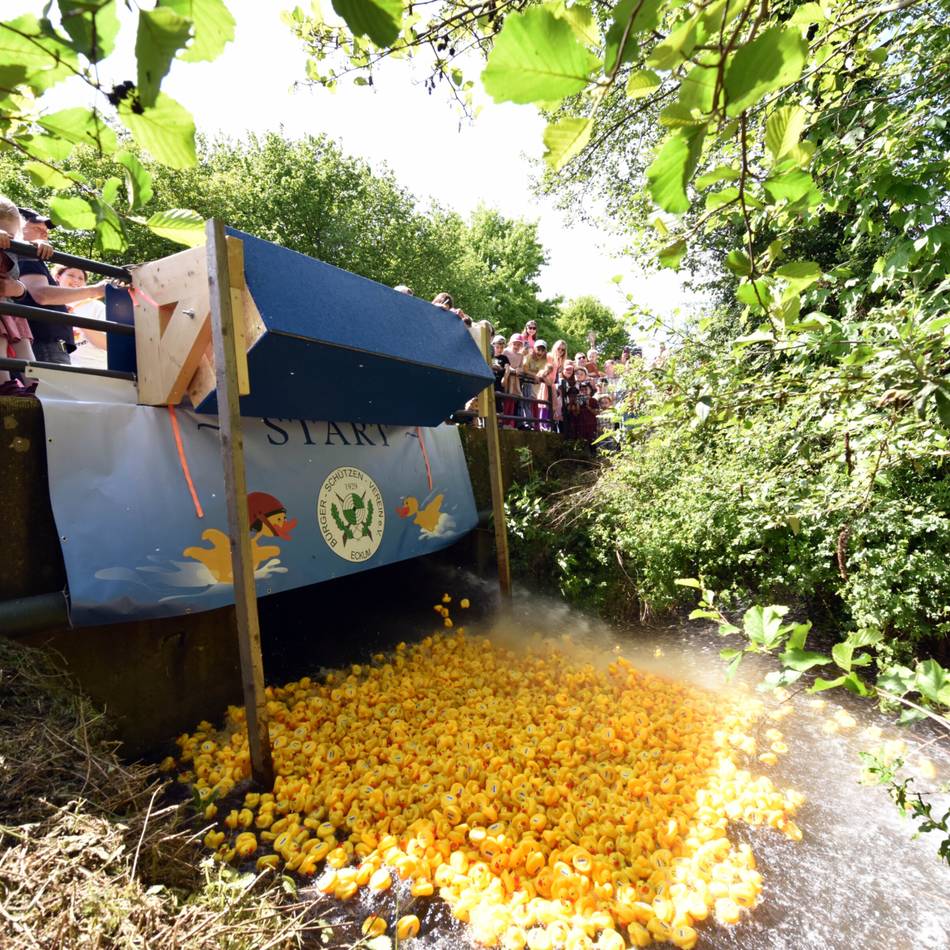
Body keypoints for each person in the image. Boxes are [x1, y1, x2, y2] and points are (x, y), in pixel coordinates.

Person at [18, 208, 107, 365]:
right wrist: (95, 290)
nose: (45, 235)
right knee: (51, 387)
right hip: (45, 344)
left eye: (46, 231)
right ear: (18, 227)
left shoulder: (29, 257)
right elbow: (42, 295)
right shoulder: (26, 255)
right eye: (37, 229)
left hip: (55, 346)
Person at [0, 198, 34, 386]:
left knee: (22, 338)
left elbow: (18, 285)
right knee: (1, 338)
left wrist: (39, 245)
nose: (7, 241)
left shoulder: (13, 248)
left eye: (11, 237)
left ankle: (34, 382)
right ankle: (4, 383)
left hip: (9, 306)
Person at [54, 265, 108, 370]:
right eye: (71, 275)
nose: (76, 280)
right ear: (58, 277)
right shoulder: (49, 305)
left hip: (95, 367)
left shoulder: (96, 306)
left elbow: (106, 344)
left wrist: (77, 320)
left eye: (81, 278)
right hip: (62, 368)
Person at [503, 333, 527, 427]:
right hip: (506, 377)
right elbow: (503, 363)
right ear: (511, 343)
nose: (516, 346)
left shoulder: (521, 356)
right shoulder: (505, 352)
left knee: (513, 400)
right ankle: (503, 421)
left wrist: (518, 370)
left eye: (519, 344)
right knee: (504, 398)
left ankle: (510, 422)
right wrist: (511, 370)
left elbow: (521, 367)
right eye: (515, 344)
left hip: (515, 381)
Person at [490, 334, 512, 418]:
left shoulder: (504, 358)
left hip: (498, 383)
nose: (499, 350)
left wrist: (505, 378)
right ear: (493, 346)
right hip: (489, 381)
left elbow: (507, 368)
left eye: (502, 347)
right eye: (497, 347)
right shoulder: (489, 356)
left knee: (498, 399)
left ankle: (498, 419)